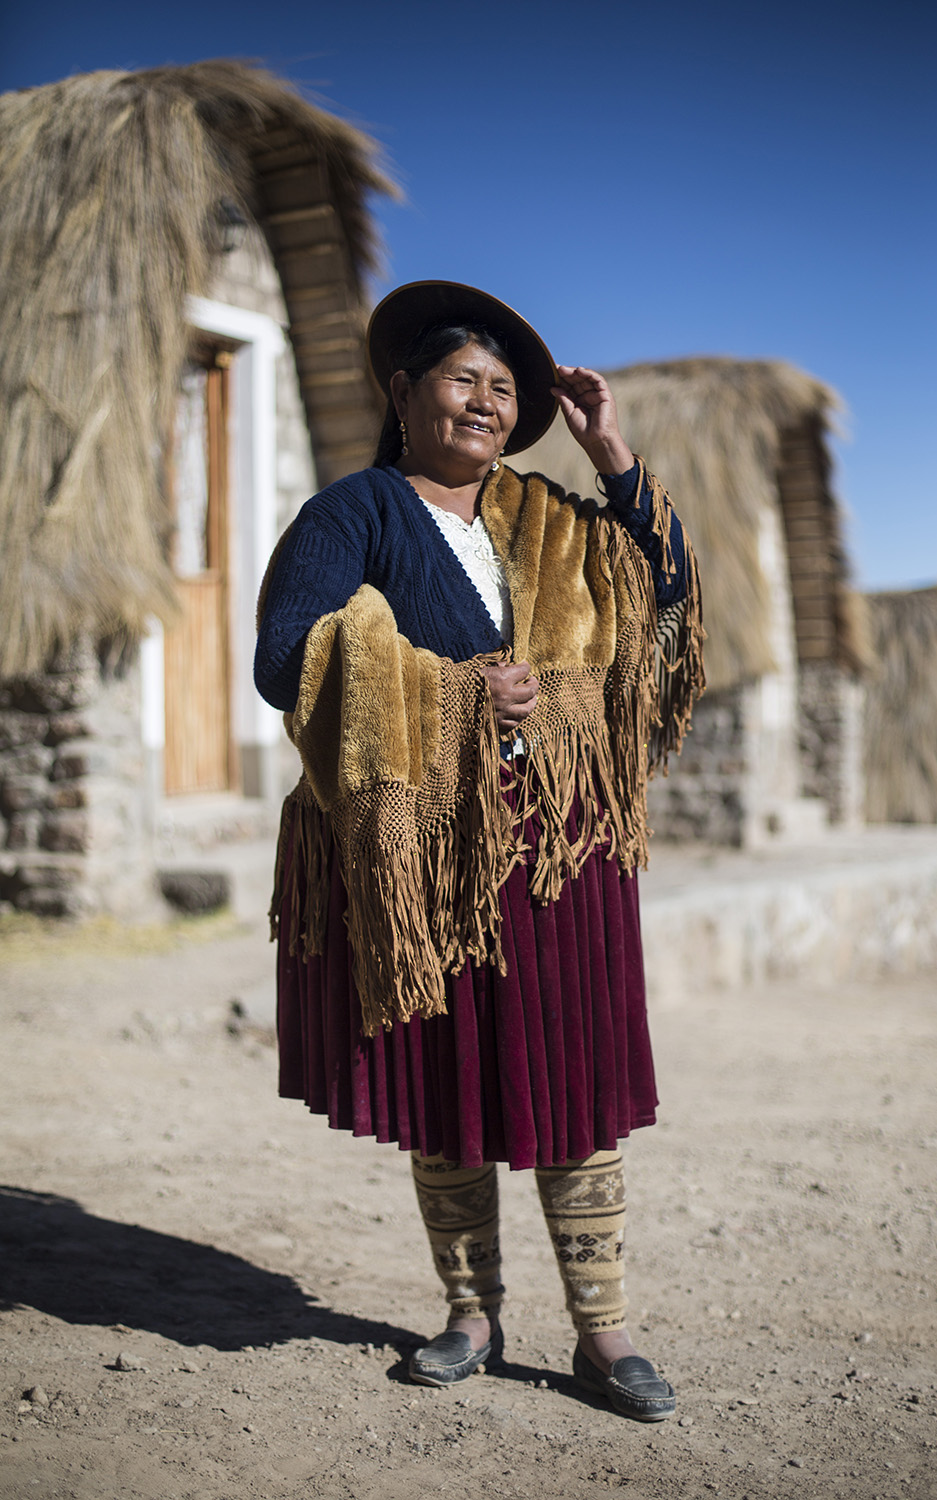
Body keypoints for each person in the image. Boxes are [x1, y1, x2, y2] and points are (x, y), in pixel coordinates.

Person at [254, 281, 703, 1422]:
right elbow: (286, 655)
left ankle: (603, 1331)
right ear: (402, 391)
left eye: (503, 391)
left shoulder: (554, 518)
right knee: (454, 1080)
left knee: (576, 1081)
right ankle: (469, 1312)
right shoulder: (351, 513)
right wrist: (452, 695)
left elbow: (663, 599)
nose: (485, 404)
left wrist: (610, 452)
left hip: (562, 841)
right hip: (434, 849)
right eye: (462, 380)